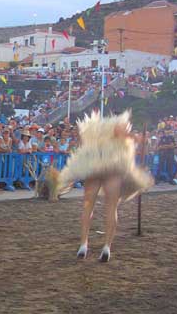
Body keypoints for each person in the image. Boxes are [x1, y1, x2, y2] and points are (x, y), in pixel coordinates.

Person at [50, 111, 153, 262]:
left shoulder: (97, 128)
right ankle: (106, 247)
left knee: (87, 205)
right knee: (111, 207)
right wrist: (137, 138)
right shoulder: (119, 124)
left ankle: (84, 244)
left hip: (95, 165)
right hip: (112, 167)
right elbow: (120, 132)